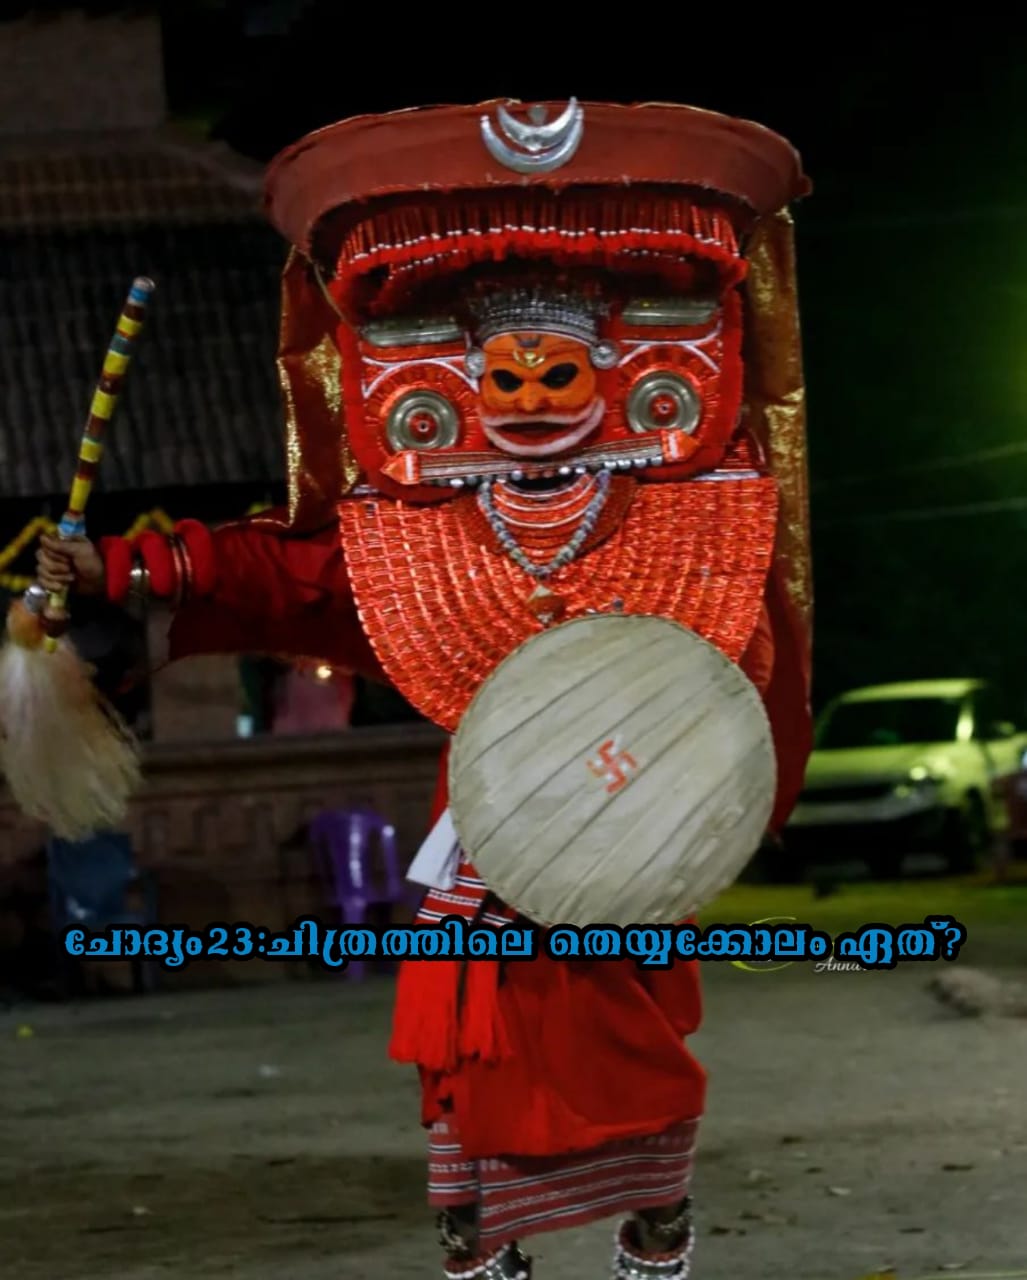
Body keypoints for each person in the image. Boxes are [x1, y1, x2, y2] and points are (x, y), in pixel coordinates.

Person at [36, 99, 814, 1278]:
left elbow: (733, 689)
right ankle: (485, 1247)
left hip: (626, 852)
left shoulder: (698, 528)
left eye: (558, 372)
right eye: (501, 373)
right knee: (469, 1071)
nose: (529, 399)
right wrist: (118, 563)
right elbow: (283, 579)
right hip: (485, 855)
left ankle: (653, 1237)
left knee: (638, 1063)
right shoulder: (413, 537)